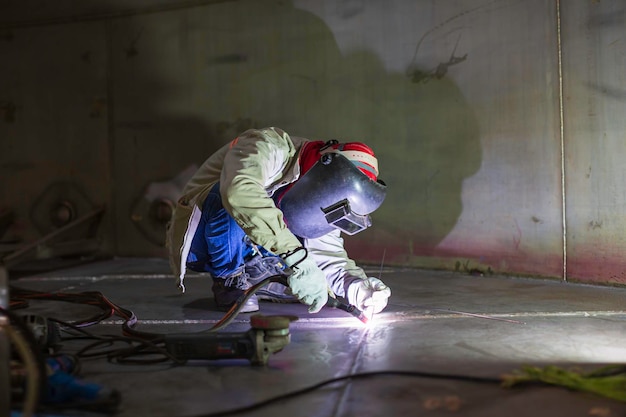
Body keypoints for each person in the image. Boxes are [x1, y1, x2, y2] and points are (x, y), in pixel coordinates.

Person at [166, 127, 391, 316]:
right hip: (202, 240)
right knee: (235, 196)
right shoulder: (267, 146)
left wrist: (357, 287)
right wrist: (296, 258)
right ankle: (229, 280)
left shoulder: (324, 197)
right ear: (324, 167)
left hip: (253, 244)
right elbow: (239, 192)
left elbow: (326, 255)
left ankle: (257, 276)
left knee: (304, 254)